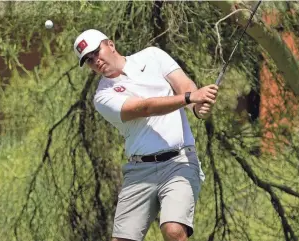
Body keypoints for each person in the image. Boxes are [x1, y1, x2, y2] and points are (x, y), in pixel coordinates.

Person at [73, 29, 219, 241]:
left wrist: (197, 106)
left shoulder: (152, 56)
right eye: (88, 60)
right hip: (139, 170)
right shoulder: (103, 96)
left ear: (111, 45)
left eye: (96, 52)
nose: (95, 60)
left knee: (174, 230)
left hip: (179, 162)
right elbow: (145, 108)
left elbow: (183, 85)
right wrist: (190, 98)